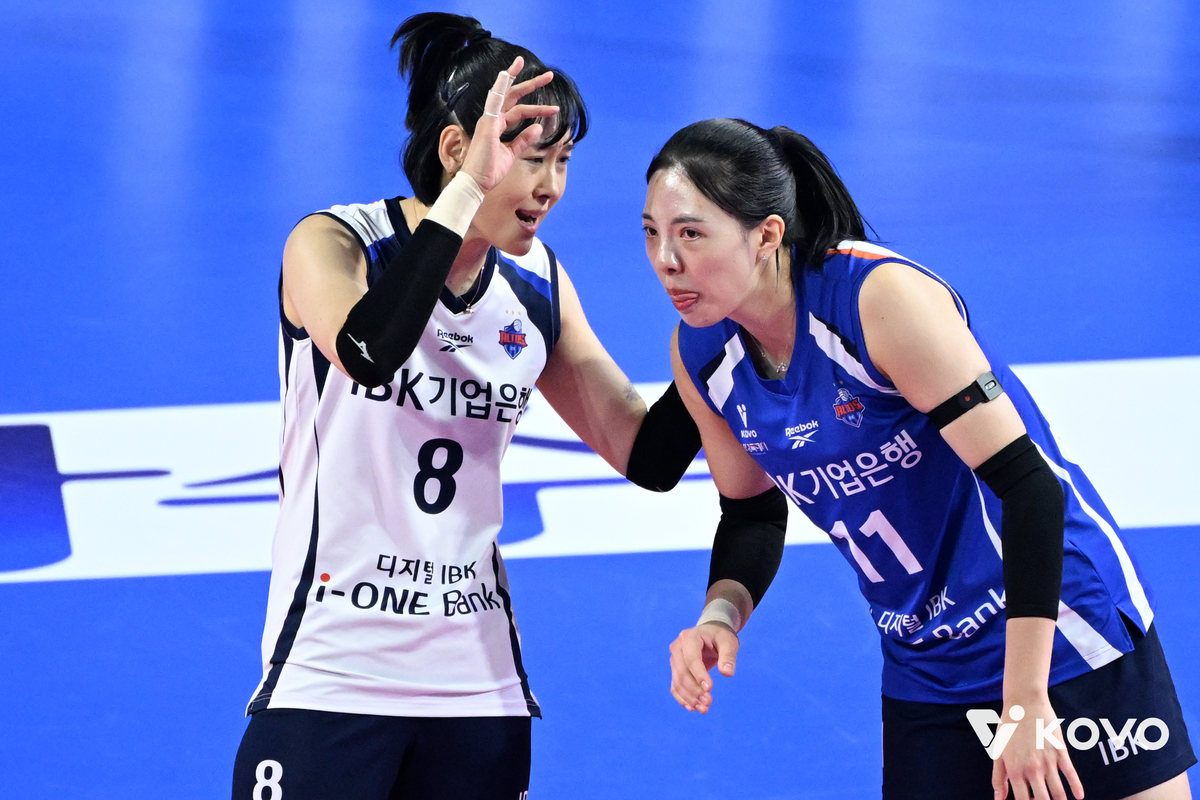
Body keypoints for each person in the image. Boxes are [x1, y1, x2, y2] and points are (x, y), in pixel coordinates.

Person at [645, 118, 1195, 800]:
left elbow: (1029, 488)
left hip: (1058, 632)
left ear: (766, 235)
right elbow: (751, 513)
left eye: (690, 234)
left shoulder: (877, 300)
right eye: (652, 233)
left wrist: (1025, 699)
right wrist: (718, 618)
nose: (665, 260)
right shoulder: (702, 354)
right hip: (926, 664)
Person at [231, 13, 699, 800]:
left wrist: (730, 328)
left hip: (476, 689)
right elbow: (369, 350)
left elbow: (648, 456)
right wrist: (467, 194)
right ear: (459, 149)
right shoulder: (335, 243)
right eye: (532, 159)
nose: (551, 187)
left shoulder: (538, 286)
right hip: (332, 671)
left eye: (564, 162)